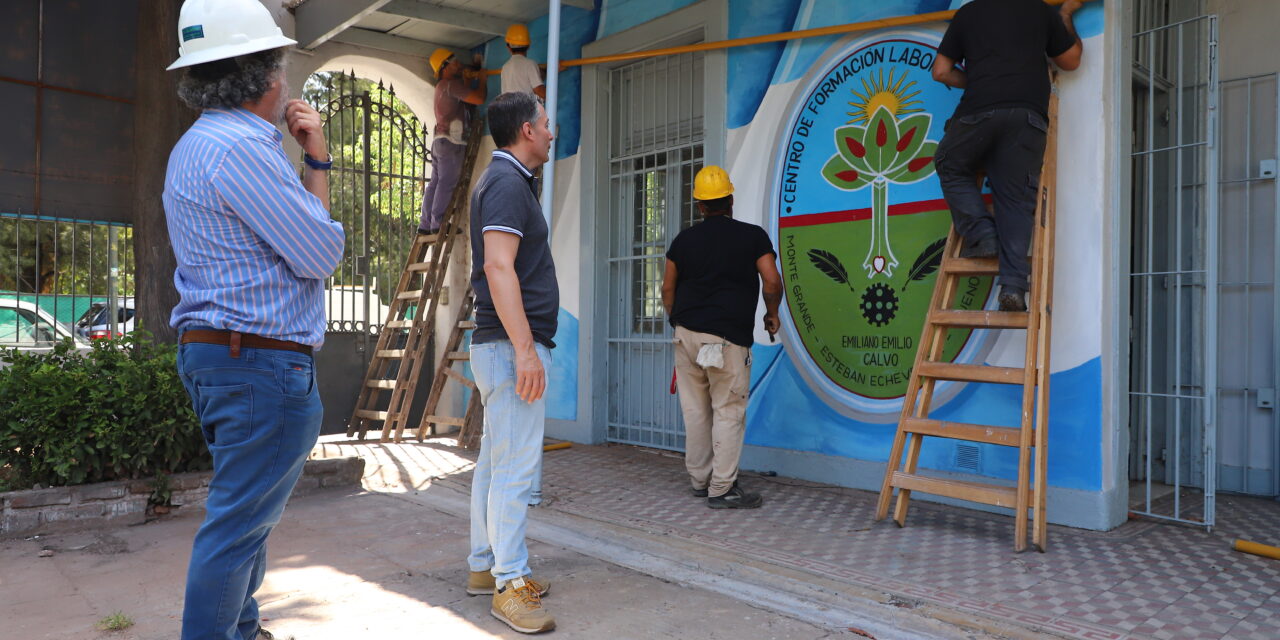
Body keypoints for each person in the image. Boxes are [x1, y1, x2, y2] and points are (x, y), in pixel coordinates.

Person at [162, 0, 345, 638]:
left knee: (247, 516)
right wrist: (318, 162)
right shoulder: (241, 148)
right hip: (258, 362)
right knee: (239, 526)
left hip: (227, 355)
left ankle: (243, 629)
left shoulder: (197, 146)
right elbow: (321, 253)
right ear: (266, 75)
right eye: (282, 64)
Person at [465, 91, 559, 634]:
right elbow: (500, 268)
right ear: (526, 130)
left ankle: (486, 566)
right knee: (516, 468)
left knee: (496, 462)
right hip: (508, 347)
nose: (551, 132)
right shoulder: (504, 182)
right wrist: (526, 349)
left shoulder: (506, 181)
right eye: (545, 124)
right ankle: (509, 582)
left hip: (500, 346)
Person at [932, 0, 1083, 311]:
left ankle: (982, 233)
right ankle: (1013, 289)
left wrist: (975, 82)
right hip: (1027, 117)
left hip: (977, 114)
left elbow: (941, 71)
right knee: (1015, 198)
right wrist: (1065, 14)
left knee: (950, 162)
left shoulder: (969, 13)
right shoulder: (1039, 10)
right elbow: (1070, 61)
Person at [662, 166, 783, 509]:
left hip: (686, 336)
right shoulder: (753, 236)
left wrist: (677, 322)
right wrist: (771, 314)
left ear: (700, 205)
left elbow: (667, 287)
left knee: (696, 412)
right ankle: (722, 489)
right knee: (728, 411)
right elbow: (772, 282)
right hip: (727, 339)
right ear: (730, 200)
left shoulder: (682, 242)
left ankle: (700, 481)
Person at [418, 47, 487, 234]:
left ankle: (426, 223)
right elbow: (479, 99)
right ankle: (438, 223)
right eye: (453, 61)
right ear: (444, 67)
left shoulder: (444, 86)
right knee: (447, 182)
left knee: (436, 182)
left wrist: (467, 80)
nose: (458, 63)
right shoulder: (450, 85)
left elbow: (464, 103)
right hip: (452, 142)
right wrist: (482, 79)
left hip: (440, 141)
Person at [500, 24, 546, 99]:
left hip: (508, 109)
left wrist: (545, 72)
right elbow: (540, 91)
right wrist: (553, 75)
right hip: (525, 110)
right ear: (528, 46)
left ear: (508, 48)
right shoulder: (530, 64)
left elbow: (525, 82)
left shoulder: (505, 67)